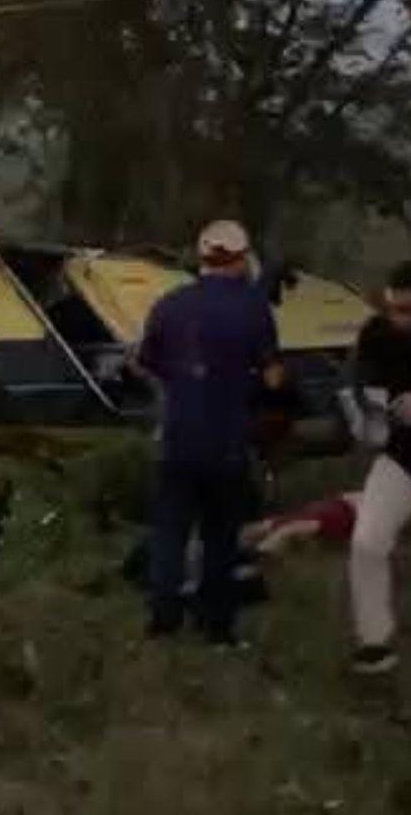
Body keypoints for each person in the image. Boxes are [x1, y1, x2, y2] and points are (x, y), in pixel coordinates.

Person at [135, 219, 281, 645]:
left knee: (170, 529)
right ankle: (215, 625)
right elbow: (273, 377)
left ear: (201, 259)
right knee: (220, 533)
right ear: (241, 258)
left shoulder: (169, 304)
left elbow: (148, 362)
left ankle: (162, 620)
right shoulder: (254, 308)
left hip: (177, 437)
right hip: (227, 442)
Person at [347, 261, 411, 674]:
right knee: (367, 541)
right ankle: (374, 641)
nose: (398, 319)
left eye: (410, 310)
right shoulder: (379, 333)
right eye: (393, 309)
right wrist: (367, 411)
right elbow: (360, 380)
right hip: (404, 459)